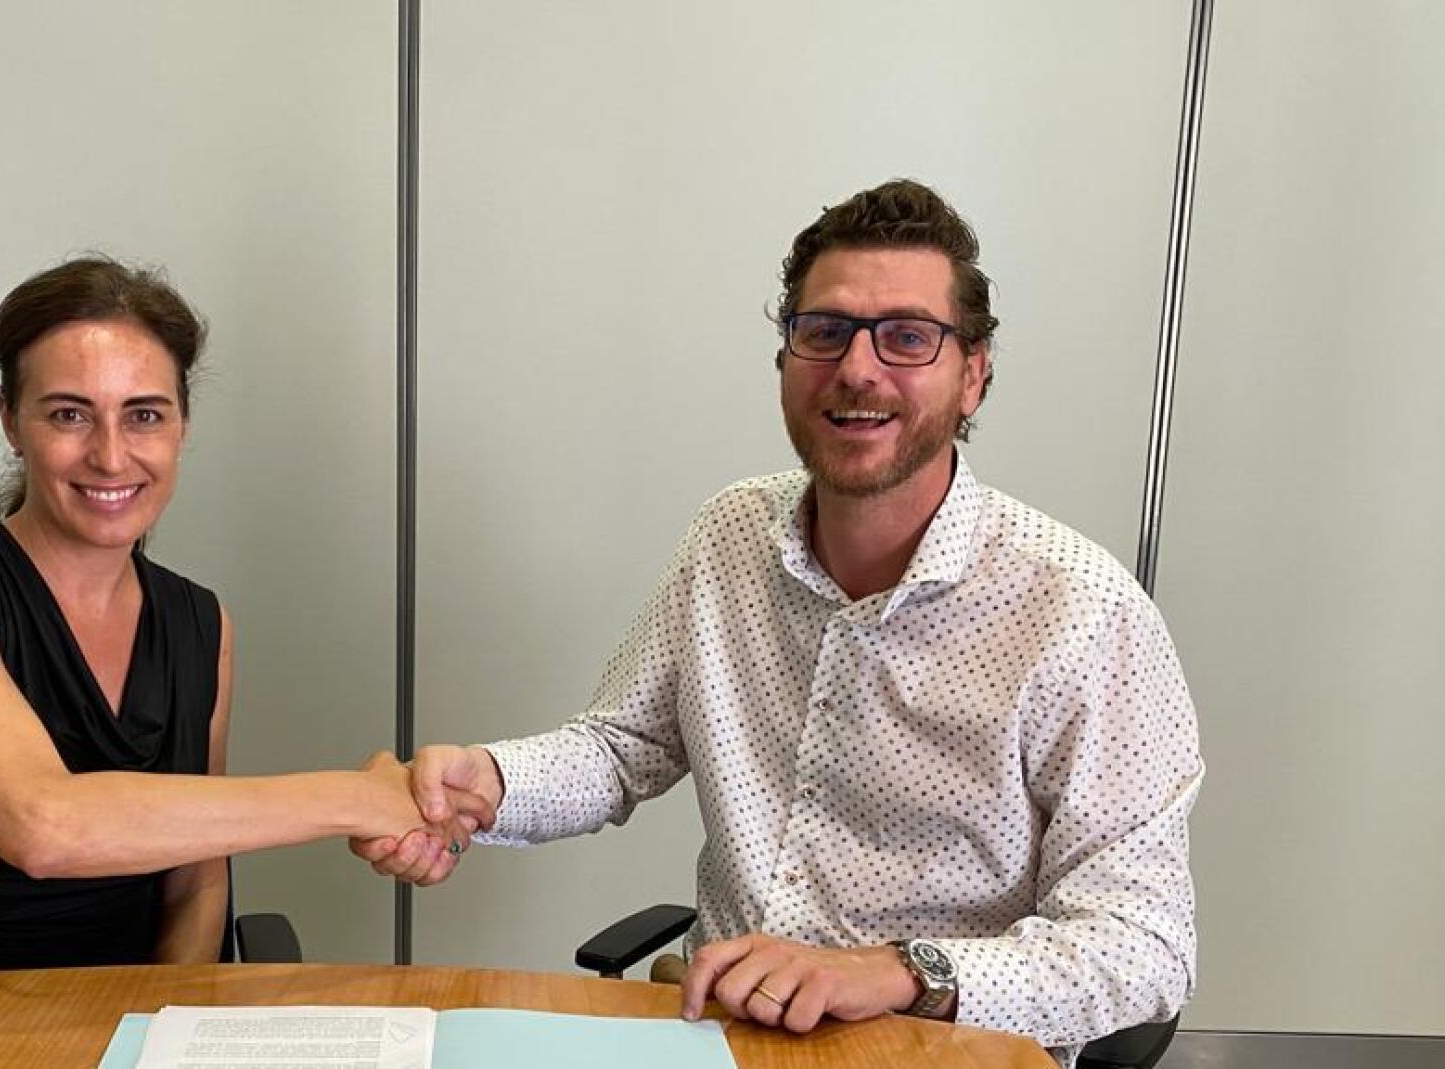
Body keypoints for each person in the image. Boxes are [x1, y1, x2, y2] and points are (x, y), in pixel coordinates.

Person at [353, 180, 1202, 1065]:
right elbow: (619, 747)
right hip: (723, 1035)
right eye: (825, 331)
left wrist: (896, 971)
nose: (858, 369)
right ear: (786, 359)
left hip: (938, 1051)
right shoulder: (729, 534)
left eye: (908, 337)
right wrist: (489, 782)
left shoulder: (1085, 614)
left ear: (973, 376)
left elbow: (1145, 944)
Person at [0, 257, 480, 981]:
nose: (110, 455)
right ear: (11, 420)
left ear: (182, 425)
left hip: (112, 1020)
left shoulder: (201, 625)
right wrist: (356, 798)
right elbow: (42, 825)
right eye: (69, 414)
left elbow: (196, 882)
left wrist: (162, 1014)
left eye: (144, 415)